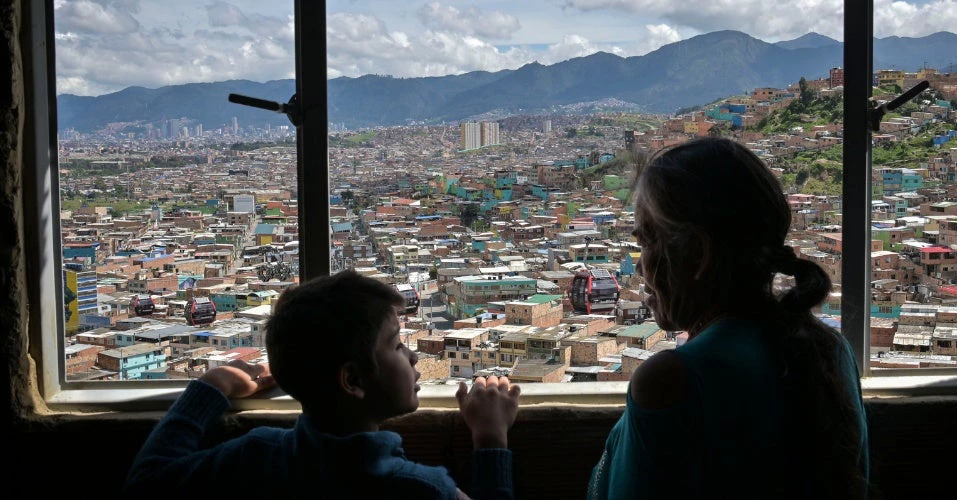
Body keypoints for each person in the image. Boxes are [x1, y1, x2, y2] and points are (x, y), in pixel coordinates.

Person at [588, 137, 870, 499]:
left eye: (646, 242)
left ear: (697, 254)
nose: (640, 266)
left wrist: (491, 446)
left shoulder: (673, 380)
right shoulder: (829, 350)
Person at [123, 270, 521, 499]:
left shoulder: (256, 457)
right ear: (352, 379)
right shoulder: (417, 489)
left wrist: (212, 384)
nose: (414, 357)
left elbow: (147, 482)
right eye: (398, 344)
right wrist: (490, 441)